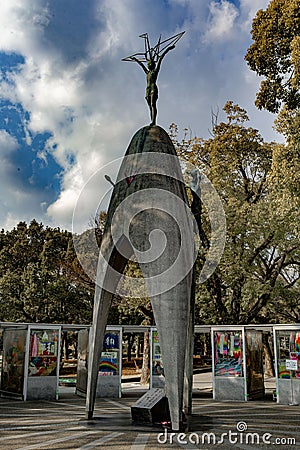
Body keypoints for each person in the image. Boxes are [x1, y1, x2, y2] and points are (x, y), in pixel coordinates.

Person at [130, 44, 175, 125]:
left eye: (150, 63)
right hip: (147, 90)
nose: (148, 64)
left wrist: (168, 49)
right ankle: (152, 121)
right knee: (150, 107)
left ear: (153, 65)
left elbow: (161, 58)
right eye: (148, 64)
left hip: (153, 88)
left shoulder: (155, 71)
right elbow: (141, 65)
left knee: (152, 104)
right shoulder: (147, 73)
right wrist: (136, 60)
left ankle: (153, 121)